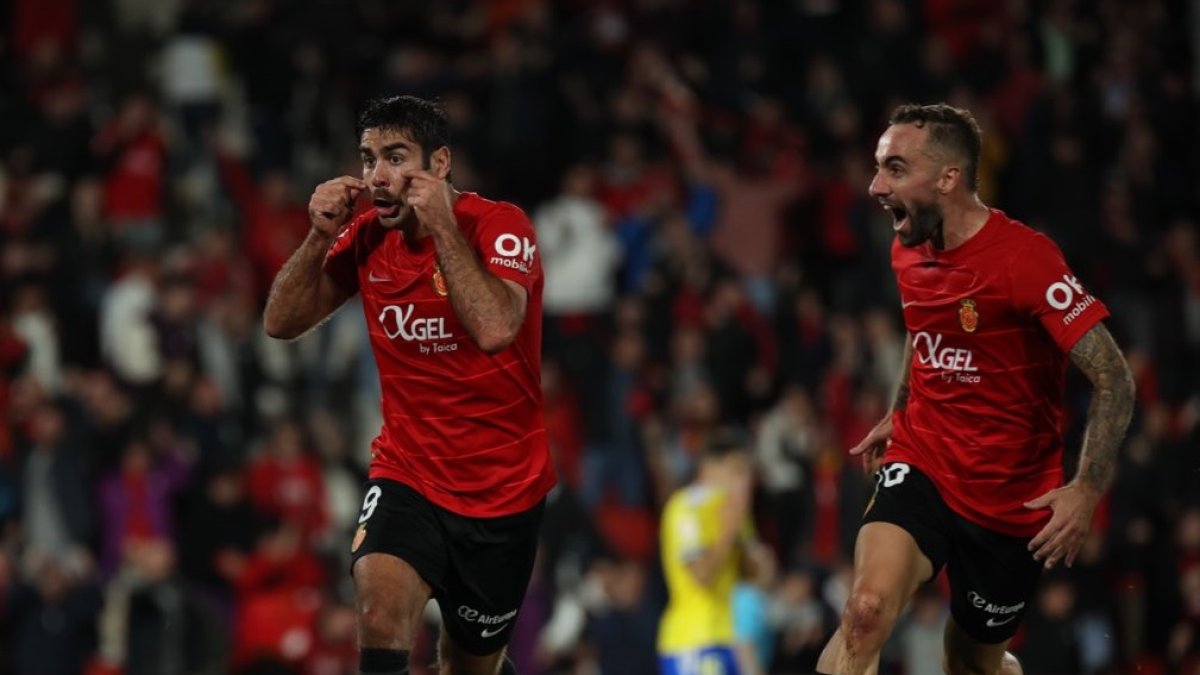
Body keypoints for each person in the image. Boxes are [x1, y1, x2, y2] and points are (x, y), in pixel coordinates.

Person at [815, 104, 1136, 675]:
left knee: (969, 664)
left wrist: (1086, 489)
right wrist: (899, 410)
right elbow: (922, 331)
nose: (874, 186)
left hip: (1010, 495)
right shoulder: (907, 245)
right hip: (925, 458)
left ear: (947, 177)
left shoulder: (1026, 260)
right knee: (864, 612)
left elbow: (1114, 378)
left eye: (893, 168)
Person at [263, 95, 556, 675]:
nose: (377, 176)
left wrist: (444, 229)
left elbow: (497, 327)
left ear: (440, 163)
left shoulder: (499, 226)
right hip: (408, 472)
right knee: (378, 606)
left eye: (396, 158)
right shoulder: (369, 237)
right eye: (369, 158)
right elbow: (280, 323)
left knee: (469, 663)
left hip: (502, 489)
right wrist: (320, 236)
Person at [657, 429, 774, 675]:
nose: (743, 480)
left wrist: (759, 557)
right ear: (709, 468)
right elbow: (701, 575)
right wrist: (729, 530)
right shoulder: (685, 508)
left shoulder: (734, 509)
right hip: (693, 641)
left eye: (746, 472)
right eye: (736, 470)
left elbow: (759, 579)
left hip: (732, 637)